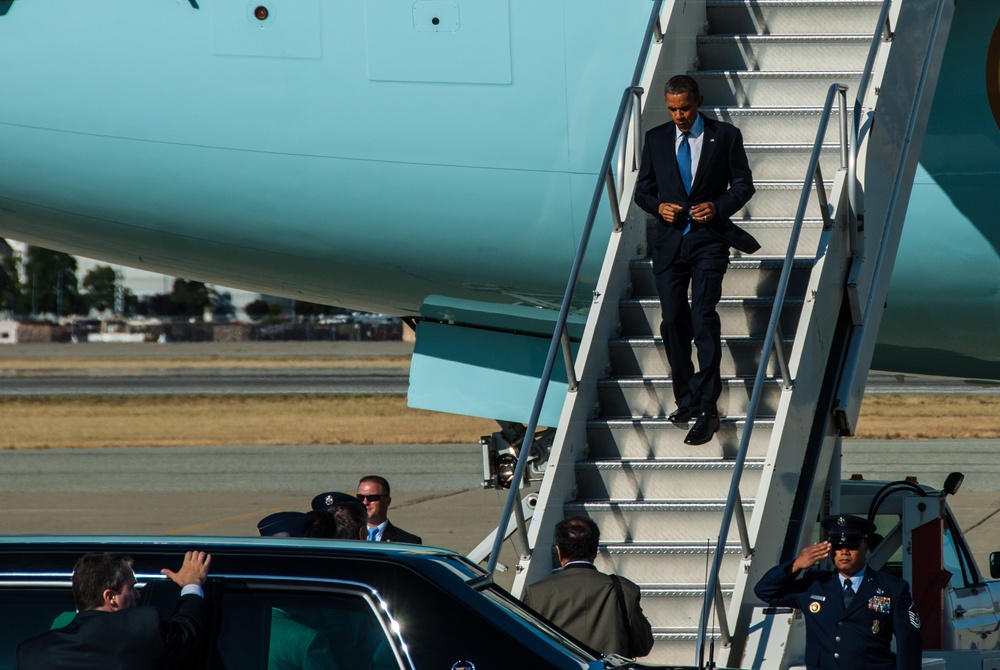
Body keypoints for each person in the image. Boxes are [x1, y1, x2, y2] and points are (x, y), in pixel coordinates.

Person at [634, 74, 759, 446]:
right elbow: (643, 191)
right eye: (673, 109)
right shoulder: (656, 139)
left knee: (703, 319)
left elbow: (744, 185)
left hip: (709, 242)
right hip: (670, 244)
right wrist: (659, 207)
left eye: (685, 108)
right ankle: (685, 398)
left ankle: (708, 408)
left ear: (698, 101)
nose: (679, 116)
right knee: (673, 322)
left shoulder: (726, 136)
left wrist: (717, 207)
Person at [754, 514, 922, 670]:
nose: (844, 551)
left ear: (865, 545)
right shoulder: (814, 585)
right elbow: (765, 591)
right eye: (838, 545)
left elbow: (909, 643)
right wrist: (796, 565)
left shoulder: (892, 588)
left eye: (852, 545)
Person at [16, 550, 211, 670]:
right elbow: (187, 629)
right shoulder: (139, 631)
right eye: (132, 587)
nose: (138, 595)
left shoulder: (30, 654)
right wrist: (192, 584)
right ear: (110, 597)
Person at [521, 516, 654, 658]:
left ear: (559, 552)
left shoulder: (536, 594)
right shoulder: (623, 589)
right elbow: (643, 646)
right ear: (595, 551)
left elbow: (524, 647)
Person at [357, 475, 421, 544]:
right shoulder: (346, 537)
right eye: (360, 497)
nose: (365, 502)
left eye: (372, 497)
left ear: (387, 501)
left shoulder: (408, 542)